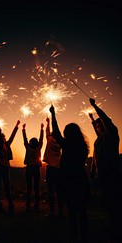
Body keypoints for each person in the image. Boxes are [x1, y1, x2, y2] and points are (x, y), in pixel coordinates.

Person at [49, 105, 90, 243]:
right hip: (81, 179)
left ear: (68, 133)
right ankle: (84, 237)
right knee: (82, 211)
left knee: (72, 212)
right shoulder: (84, 146)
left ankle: (74, 237)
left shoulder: (67, 144)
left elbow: (56, 130)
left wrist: (53, 114)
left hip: (69, 180)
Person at [88, 98, 121, 243]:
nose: (98, 128)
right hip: (102, 173)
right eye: (96, 127)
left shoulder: (112, 133)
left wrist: (95, 106)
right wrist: (93, 167)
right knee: (108, 200)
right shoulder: (100, 138)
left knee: (114, 199)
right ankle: (113, 224)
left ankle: (117, 228)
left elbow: (105, 120)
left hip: (112, 172)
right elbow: (96, 153)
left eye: (100, 126)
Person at [0, 120, 20, 215]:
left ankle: (10, 205)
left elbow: (12, 136)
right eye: (2, 138)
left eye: (4, 137)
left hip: (6, 168)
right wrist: (0, 133)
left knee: (7, 187)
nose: (4, 138)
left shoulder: (7, 145)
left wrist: (16, 126)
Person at [42, 116, 64, 219]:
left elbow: (47, 131)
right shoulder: (61, 143)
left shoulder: (49, 140)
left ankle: (52, 212)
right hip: (59, 169)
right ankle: (60, 211)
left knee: (51, 191)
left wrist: (48, 122)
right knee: (59, 190)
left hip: (50, 168)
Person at [22, 122, 44, 212]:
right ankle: (36, 205)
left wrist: (23, 129)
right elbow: (41, 139)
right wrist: (42, 129)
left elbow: (24, 139)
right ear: (37, 143)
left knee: (29, 188)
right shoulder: (38, 148)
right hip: (36, 169)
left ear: (30, 143)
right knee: (36, 188)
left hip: (29, 168)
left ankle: (28, 206)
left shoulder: (28, 148)